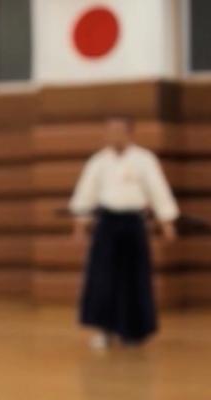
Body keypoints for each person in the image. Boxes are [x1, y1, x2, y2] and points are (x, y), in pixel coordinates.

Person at [70, 116, 179, 349]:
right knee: (103, 278)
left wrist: (166, 221)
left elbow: (158, 190)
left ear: (130, 133)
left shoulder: (144, 159)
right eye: (110, 131)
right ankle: (104, 330)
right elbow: (86, 193)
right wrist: (80, 223)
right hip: (107, 224)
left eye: (118, 130)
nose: (114, 135)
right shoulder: (98, 161)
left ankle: (134, 331)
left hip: (133, 224)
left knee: (134, 277)